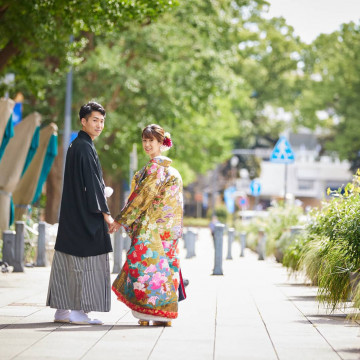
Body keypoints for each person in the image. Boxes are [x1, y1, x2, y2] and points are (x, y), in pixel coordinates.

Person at [109, 124, 183, 327]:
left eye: (152, 140)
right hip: (168, 231)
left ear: (161, 143)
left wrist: (120, 220)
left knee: (148, 270)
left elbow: (141, 197)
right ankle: (164, 315)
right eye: (145, 140)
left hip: (151, 231)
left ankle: (148, 313)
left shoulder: (155, 168)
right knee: (166, 270)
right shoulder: (171, 170)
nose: (147, 144)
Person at [46, 101, 114, 325]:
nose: (99, 125)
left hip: (72, 214)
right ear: (83, 121)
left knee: (67, 258)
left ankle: (62, 310)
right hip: (85, 216)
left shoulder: (78, 145)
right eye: (95, 120)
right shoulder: (84, 147)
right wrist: (106, 214)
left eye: (102, 121)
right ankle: (78, 311)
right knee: (86, 260)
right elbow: (93, 185)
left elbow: (90, 183)